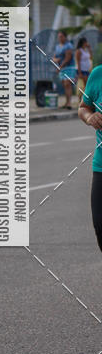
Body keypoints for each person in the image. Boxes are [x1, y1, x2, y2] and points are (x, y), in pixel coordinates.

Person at [78, 63, 102, 251]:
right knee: (100, 224)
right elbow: (83, 107)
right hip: (101, 166)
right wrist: (89, 117)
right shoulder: (98, 74)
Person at [52, 30, 76, 109]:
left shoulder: (68, 46)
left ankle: (69, 103)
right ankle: (66, 102)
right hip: (61, 68)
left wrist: (60, 67)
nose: (60, 38)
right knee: (64, 85)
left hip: (68, 67)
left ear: (65, 37)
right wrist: (56, 60)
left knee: (67, 84)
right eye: (59, 37)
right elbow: (54, 57)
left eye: (61, 36)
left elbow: (67, 58)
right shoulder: (57, 46)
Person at [75, 37, 93, 104]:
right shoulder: (79, 51)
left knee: (86, 85)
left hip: (87, 70)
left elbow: (91, 57)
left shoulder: (85, 50)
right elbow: (78, 62)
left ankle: (83, 99)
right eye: (85, 42)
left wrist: (89, 48)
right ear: (83, 43)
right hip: (82, 70)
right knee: (84, 85)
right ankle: (81, 99)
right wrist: (79, 73)